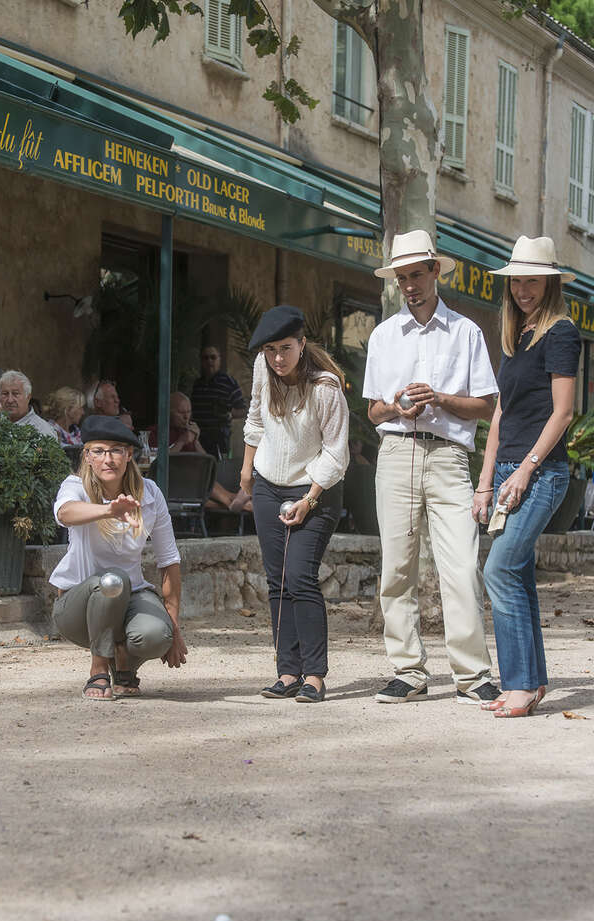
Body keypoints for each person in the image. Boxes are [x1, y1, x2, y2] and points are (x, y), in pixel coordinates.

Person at [364, 230, 501, 705]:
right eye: (401, 278)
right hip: (397, 451)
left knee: (462, 566)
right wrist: (395, 406)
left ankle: (472, 674)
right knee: (396, 567)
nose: (409, 286)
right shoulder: (383, 336)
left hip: (448, 456)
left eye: (416, 275)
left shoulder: (466, 333)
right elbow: (372, 413)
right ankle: (407, 670)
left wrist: (439, 399)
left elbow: (486, 405)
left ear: (435, 272)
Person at [473, 236, 581, 718]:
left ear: (550, 283)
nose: (522, 290)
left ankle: (517, 683)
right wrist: (486, 479)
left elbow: (563, 413)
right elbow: (501, 413)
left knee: (498, 568)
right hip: (508, 470)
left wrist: (526, 472)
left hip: (542, 472)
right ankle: (532, 682)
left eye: (532, 281)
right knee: (515, 572)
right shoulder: (516, 335)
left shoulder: (561, 333)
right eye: (517, 281)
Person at [240, 305, 349, 703]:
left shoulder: (325, 387)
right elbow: (254, 419)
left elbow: (337, 454)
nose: (278, 358)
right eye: (271, 350)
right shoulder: (262, 370)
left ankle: (315, 675)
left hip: (316, 486)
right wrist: (246, 474)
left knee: (300, 575)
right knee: (277, 580)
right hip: (269, 482)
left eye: (286, 348)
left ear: (302, 344)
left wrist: (308, 499)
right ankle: (287, 671)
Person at [50, 415, 187, 700]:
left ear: (129, 455)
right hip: (78, 608)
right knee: (113, 580)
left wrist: (174, 628)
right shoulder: (75, 485)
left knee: (156, 635)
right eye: (98, 451)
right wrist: (109, 510)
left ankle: (124, 664)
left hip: (132, 595)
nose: (108, 459)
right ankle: (98, 668)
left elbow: (169, 560)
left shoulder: (150, 493)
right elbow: (65, 513)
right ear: (87, 456)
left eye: (116, 450)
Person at [169, 392, 251, 512]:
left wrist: (195, 441)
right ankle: (244, 504)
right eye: (181, 413)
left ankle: (237, 504)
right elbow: (159, 460)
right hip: (175, 485)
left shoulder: (190, 432)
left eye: (188, 412)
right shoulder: (158, 432)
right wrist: (181, 442)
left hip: (197, 485)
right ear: (169, 412)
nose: (186, 417)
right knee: (221, 493)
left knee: (207, 484)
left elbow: (207, 463)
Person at [191, 346, 246, 458]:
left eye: (213, 357)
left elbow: (244, 410)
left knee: (220, 471)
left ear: (219, 360)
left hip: (219, 438)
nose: (209, 361)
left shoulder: (228, 382)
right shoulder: (197, 384)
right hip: (198, 438)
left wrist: (229, 414)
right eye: (205, 358)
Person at [0, 369, 57, 438]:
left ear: (28, 397)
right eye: (5, 394)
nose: (10, 400)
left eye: (15, 394)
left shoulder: (43, 430)